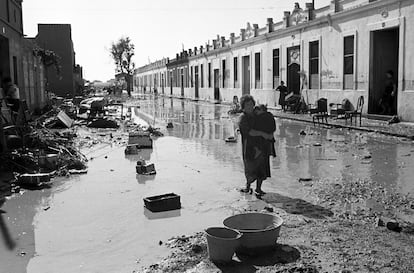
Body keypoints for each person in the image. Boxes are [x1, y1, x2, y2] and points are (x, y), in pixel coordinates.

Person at [238, 95, 274, 196]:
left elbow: (267, 120)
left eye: (251, 104)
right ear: (243, 106)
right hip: (249, 147)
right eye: (247, 105)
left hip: (261, 145)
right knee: (250, 167)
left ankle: (259, 188)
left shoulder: (257, 114)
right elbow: (250, 132)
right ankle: (248, 186)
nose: (249, 107)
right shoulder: (243, 118)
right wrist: (263, 134)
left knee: (262, 167)